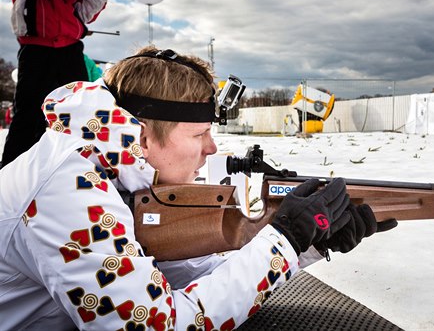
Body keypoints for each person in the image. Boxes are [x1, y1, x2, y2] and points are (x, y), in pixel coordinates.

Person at [0, 46, 395, 329]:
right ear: (142, 134)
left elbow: (172, 278)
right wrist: (284, 242)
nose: (212, 147)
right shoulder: (69, 191)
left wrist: (308, 245)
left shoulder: (104, 166)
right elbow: (159, 323)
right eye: (199, 133)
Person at [1, 0, 117, 168]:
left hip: (70, 50)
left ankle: (82, 169)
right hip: (36, 49)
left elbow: (81, 14)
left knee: (80, 112)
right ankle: (12, 172)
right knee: (29, 114)